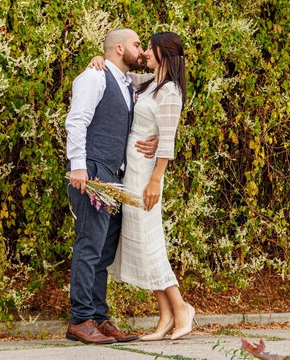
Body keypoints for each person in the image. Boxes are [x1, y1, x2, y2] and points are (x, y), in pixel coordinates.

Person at [89, 31, 196, 341]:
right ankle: (165, 317)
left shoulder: (171, 92)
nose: (145, 52)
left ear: (163, 52)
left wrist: (155, 181)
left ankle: (182, 309)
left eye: (149, 48)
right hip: (130, 173)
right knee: (145, 242)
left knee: (151, 246)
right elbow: (118, 77)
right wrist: (99, 59)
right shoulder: (148, 83)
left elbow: (168, 140)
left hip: (146, 177)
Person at [65, 28, 159, 345]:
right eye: (137, 45)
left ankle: (99, 318)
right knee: (90, 245)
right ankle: (80, 320)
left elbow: (163, 88)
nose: (141, 51)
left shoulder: (126, 82)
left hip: (113, 175)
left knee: (104, 251)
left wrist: (160, 135)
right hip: (91, 170)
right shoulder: (93, 77)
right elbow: (76, 120)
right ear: (118, 48)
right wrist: (78, 166)